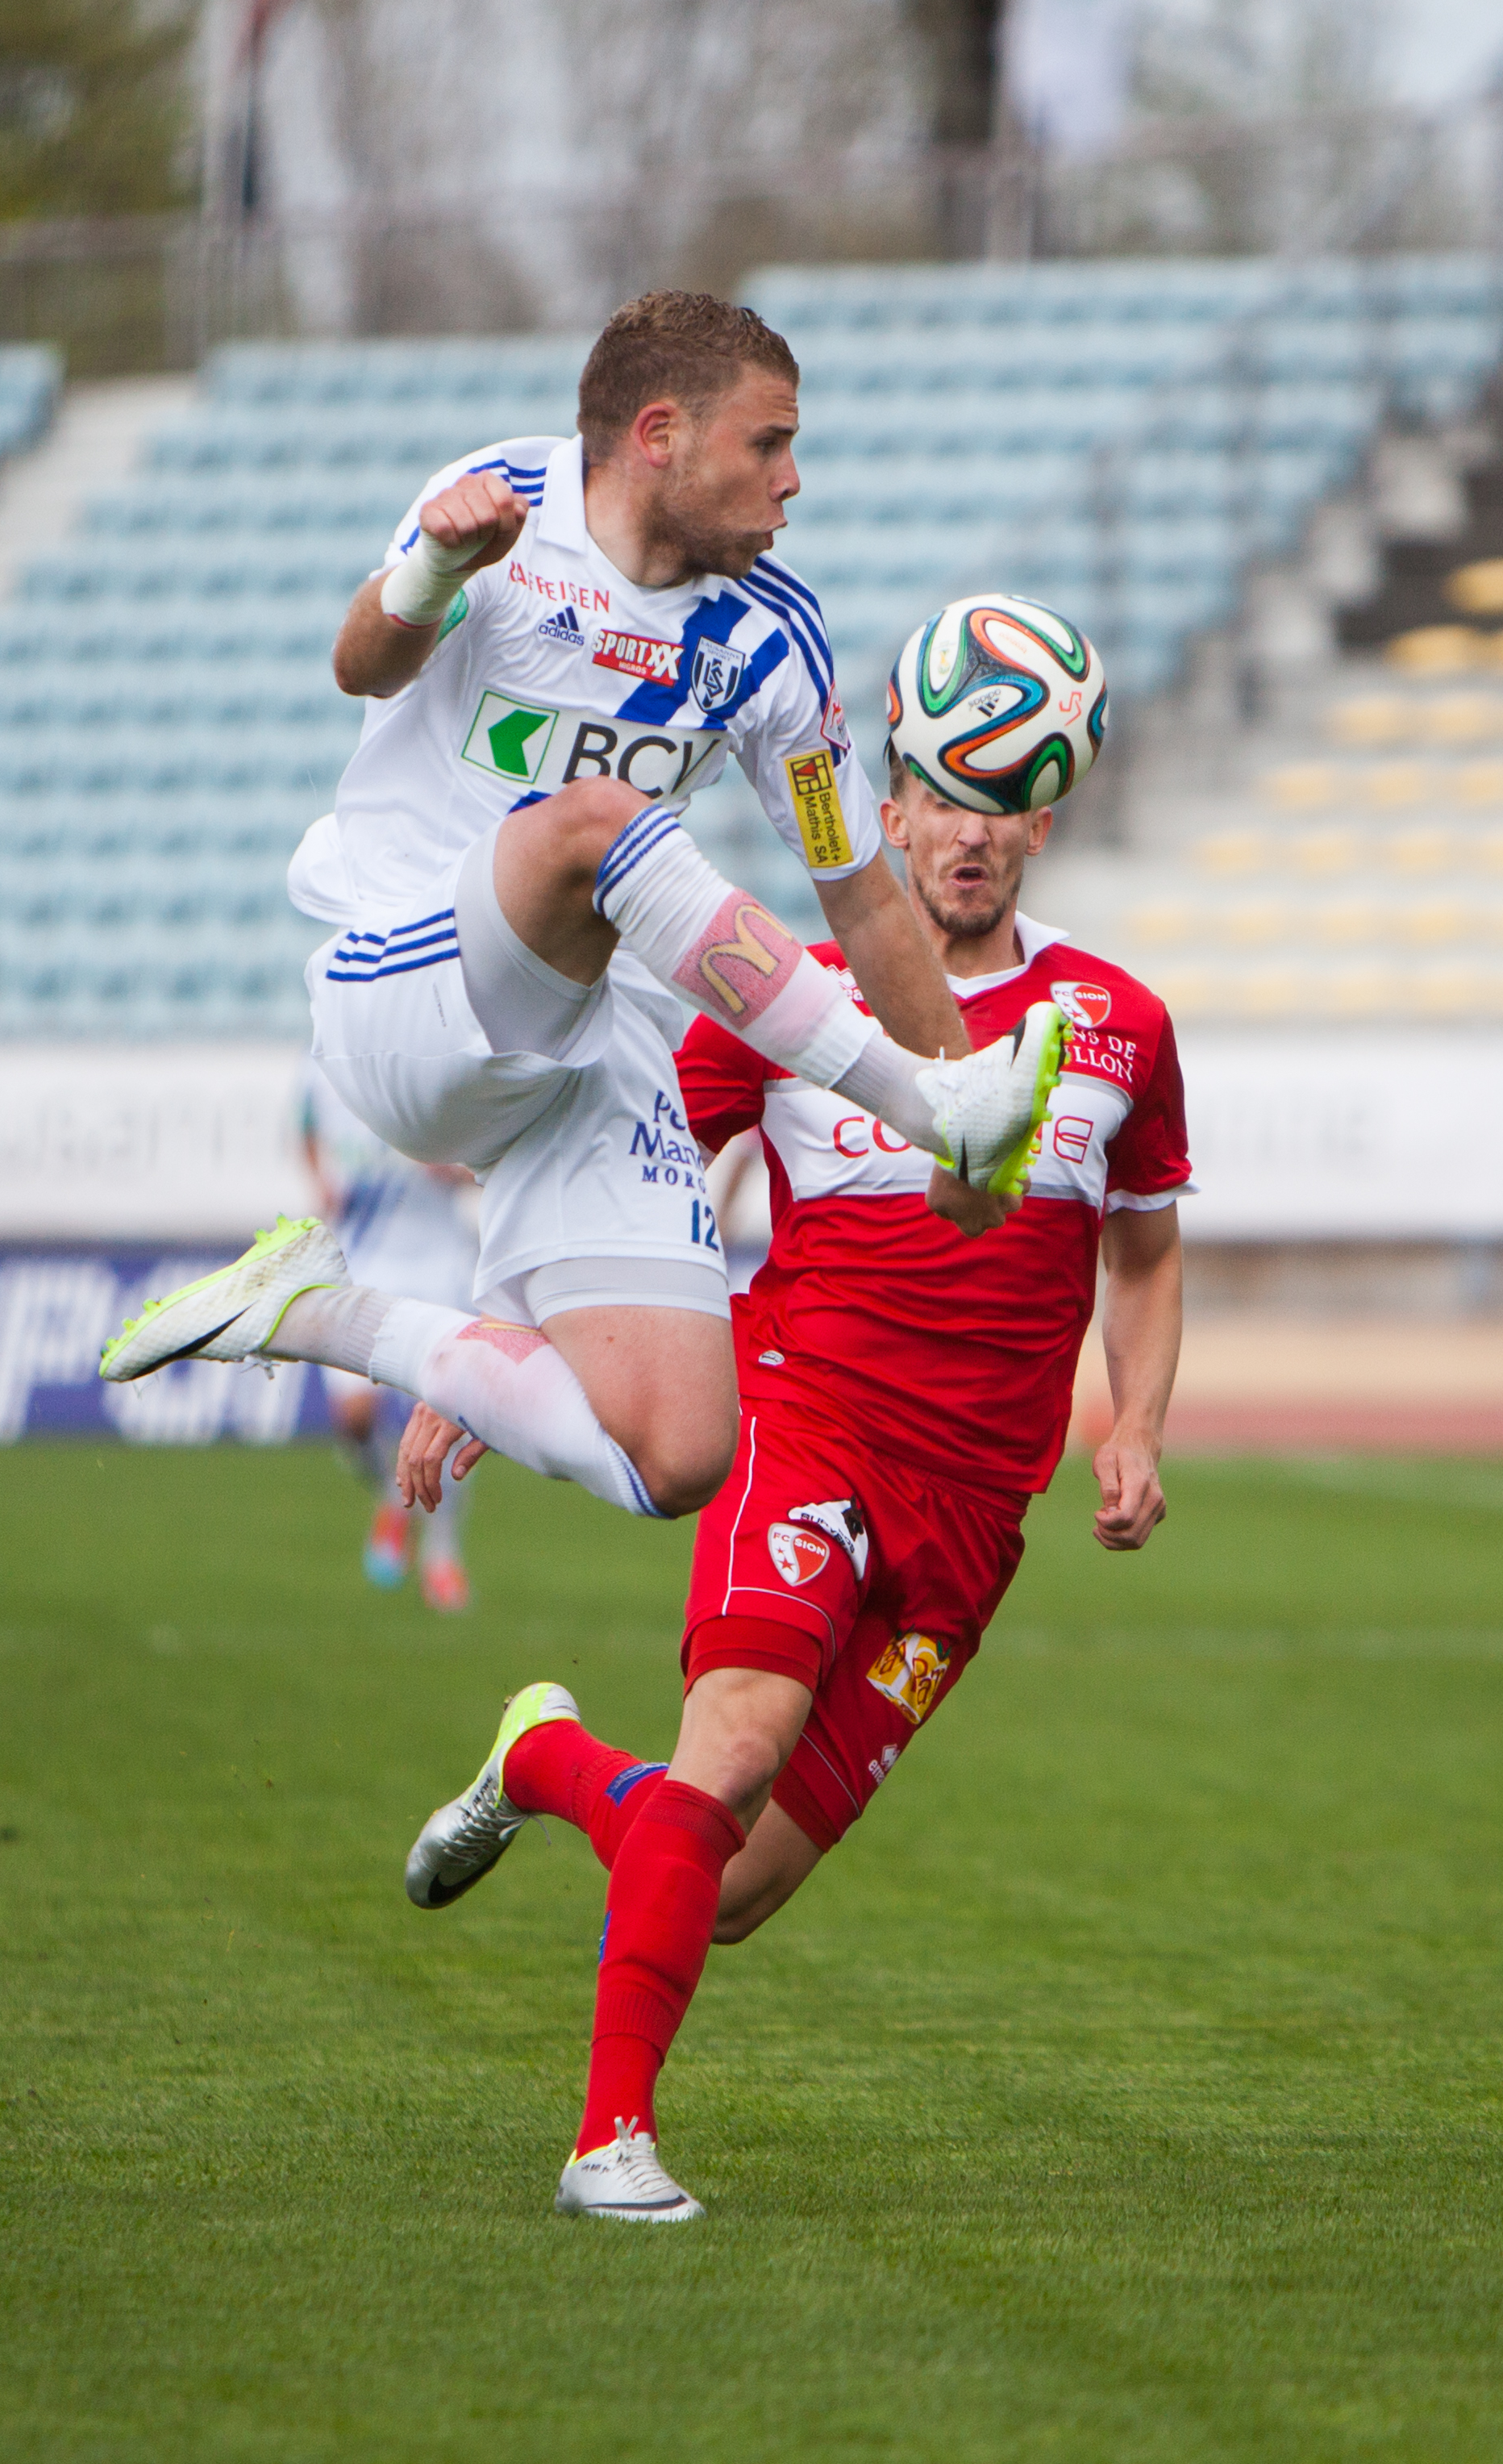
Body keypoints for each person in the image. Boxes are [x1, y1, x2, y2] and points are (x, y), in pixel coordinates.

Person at [100, 293, 1066, 1524]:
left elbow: (864, 899)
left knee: (679, 1457)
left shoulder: (774, 642)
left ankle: (310, 1312)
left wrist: (972, 1087)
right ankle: (931, 1113)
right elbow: (361, 664)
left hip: (584, 1053)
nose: (794, 481)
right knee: (601, 822)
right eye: (769, 444)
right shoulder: (500, 504)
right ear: (660, 434)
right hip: (405, 991)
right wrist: (437, 564)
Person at [396, 731, 1193, 2221]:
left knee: (737, 1882)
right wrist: (496, 1348)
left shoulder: (1118, 1025)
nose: (968, 834)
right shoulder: (788, 999)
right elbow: (621, 1174)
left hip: (972, 1521)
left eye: (1001, 809)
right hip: (807, 1422)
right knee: (736, 1748)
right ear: (884, 819)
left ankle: (544, 1760)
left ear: (1039, 833)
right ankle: (607, 2144)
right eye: (943, 801)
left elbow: (1143, 1250)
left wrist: (1133, 1421)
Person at [301, 1061, 477, 1611]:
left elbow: (493, 1151)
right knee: (353, 1420)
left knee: (449, 1416)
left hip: (438, 1259)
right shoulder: (322, 1064)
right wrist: (320, 1180)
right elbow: (305, 1126)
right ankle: (391, 1497)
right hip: (363, 1258)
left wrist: (458, 1168)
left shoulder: (435, 1059)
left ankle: (442, 1555)